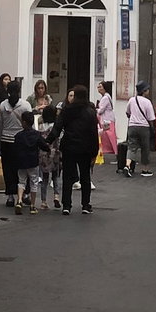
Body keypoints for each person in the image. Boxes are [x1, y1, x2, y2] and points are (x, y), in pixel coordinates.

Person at [57, 84, 99, 214]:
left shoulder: (67, 110)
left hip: (69, 147)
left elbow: (57, 127)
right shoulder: (90, 112)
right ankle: (85, 205)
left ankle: (66, 205)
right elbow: (93, 133)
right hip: (85, 148)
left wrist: (48, 141)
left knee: (68, 177)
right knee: (85, 176)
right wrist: (94, 151)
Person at [0, 83, 24, 207]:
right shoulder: (25, 105)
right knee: (22, 168)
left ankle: (10, 196)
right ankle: (23, 194)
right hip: (20, 140)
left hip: (6, 140)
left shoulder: (2, 105)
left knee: (8, 168)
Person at [13, 108, 44, 213]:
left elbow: (15, 148)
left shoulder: (18, 136)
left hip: (21, 162)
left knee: (21, 181)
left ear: (24, 122)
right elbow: (43, 146)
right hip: (33, 162)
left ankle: (19, 200)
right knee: (34, 182)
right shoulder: (36, 135)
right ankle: (32, 205)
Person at [124, 83, 156, 178]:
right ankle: (145, 170)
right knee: (145, 149)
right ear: (144, 91)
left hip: (132, 126)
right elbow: (151, 118)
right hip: (144, 128)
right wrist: (152, 128)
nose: (148, 91)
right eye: (147, 90)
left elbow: (127, 112)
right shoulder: (147, 102)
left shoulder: (131, 100)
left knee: (131, 147)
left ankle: (127, 165)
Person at [96, 81, 119, 167]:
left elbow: (101, 110)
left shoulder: (105, 98)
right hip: (108, 119)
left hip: (107, 120)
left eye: (100, 87)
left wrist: (96, 110)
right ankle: (114, 154)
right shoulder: (106, 97)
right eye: (98, 87)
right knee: (107, 137)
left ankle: (116, 155)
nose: (99, 89)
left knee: (110, 137)